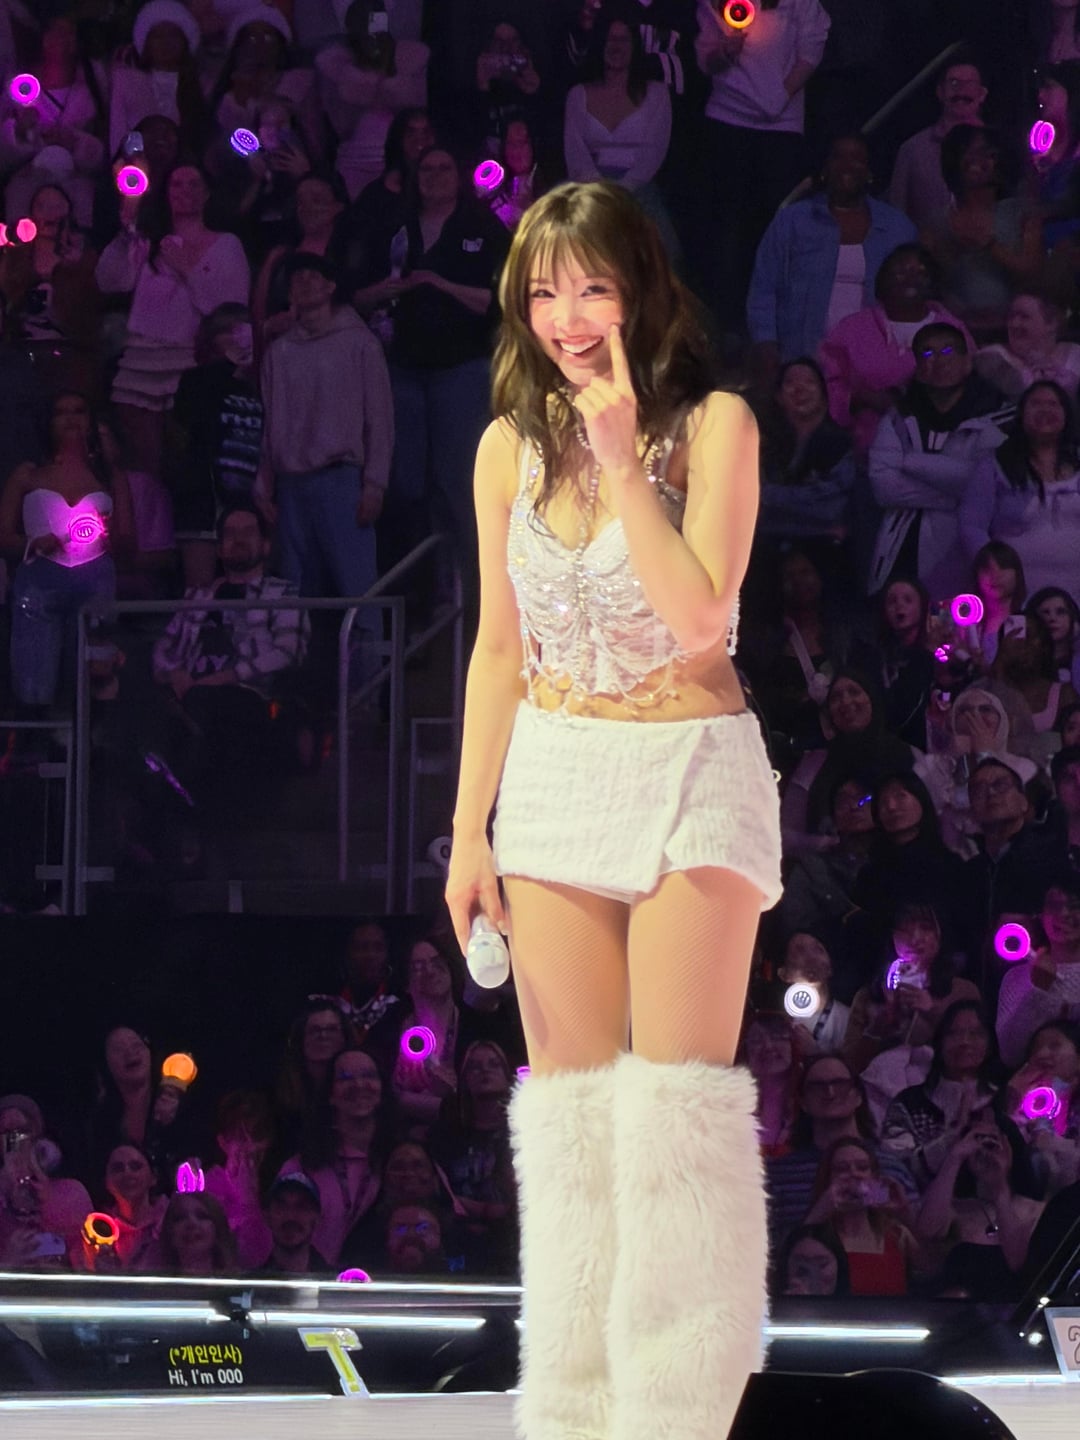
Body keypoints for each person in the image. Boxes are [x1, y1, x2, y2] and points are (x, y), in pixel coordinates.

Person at [446, 181, 782, 1440]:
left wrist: (626, 455)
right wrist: (468, 832)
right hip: (554, 778)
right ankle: (574, 1417)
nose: (568, 317)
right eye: (544, 292)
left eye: (591, 287)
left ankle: (683, 1417)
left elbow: (701, 618)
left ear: (640, 290)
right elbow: (497, 649)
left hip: (690, 771)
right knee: (574, 1133)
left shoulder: (717, 426)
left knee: (674, 1126)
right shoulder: (504, 446)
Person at [95, 161, 250, 483]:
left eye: (193, 184)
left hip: (193, 362)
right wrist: (125, 233)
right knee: (142, 465)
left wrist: (188, 269)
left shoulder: (227, 245)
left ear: (207, 192)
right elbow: (109, 281)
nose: (185, 191)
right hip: (142, 362)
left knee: (185, 462)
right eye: (177, 184)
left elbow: (229, 310)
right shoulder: (149, 242)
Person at [258, 253, 392, 620]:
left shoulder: (360, 344)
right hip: (290, 483)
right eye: (297, 277)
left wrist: (374, 484)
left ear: (331, 286)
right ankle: (293, 658)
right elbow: (271, 421)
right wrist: (264, 482)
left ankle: (367, 659)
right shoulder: (279, 351)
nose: (304, 281)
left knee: (357, 589)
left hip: (341, 478)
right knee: (293, 594)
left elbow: (379, 419)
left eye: (312, 275)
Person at [150, 501, 308, 802]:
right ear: (220, 549)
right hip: (184, 693)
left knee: (204, 712)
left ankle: (189, 802)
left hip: (247, 695)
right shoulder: (198, 596)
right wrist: (173, 674)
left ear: (265, 545)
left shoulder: (282, 593)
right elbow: (163, 647)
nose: (238, 539)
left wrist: (227, 676)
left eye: (248, 532)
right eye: (231, 534)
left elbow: (289, 651)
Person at [693, 0, 831, 339]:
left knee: (774, 227)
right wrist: (725, 52)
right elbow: (706, 61)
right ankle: (725, 326)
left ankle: (774, 326)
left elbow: (812, 49)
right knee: (726, 227)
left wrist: (779, 97)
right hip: (726, 121)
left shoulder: (801, 4)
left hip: (781, 129)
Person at [0, 390, 134, 711]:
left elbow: (128, 541)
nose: (71, 418)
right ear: (48, 422)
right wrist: (33, 543)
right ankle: (37, 734)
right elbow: (3, 535)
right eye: (62, 412)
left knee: (92, 679)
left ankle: (91, 735)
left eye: (79, 410)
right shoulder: (28, 474)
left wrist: (106, 528)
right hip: (39, 582)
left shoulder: (108, 477)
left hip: (95, 582)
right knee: (35, 680)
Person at [747, 132, 916, 368]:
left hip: (872, 362)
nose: (847, 165)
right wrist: (765, 342)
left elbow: (914, 293)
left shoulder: (897, 227)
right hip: (802, 359)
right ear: (825, 167)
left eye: (857, 158)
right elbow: (764, 287)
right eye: (838, 157)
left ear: (869, 171)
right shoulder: (792, 220)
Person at [867, 322, 1011, 599]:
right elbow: (884, 486)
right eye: (928, 353)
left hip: (969, 554)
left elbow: (986, 483)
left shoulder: (999, 417)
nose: (939, 360)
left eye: (948, 351)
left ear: (967, 361)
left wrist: (913, 463)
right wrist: (959, 496)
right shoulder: (898, 418)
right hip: (903, 552)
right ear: (918, 368)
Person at [819, 244, 971, 456]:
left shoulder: (953, 329)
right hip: (860, 448)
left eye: (920, 273)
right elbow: (826, 382)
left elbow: (971, 385)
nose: (911, 279)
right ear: (883, 279)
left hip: (941, 451)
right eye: (901, 272)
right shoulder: (851, 328)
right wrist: (858, 398)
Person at [960, 381, 1080, 601]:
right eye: (1036, 404)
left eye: (1053, 404)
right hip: (1016, 598)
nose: (1045, 410)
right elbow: (972, 526)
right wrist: (993, 569)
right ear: (1021, 414)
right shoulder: (995, 465)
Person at [563, 16, 674, 250]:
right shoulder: (578, 94)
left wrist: (623, 191)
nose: (616, 46)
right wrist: (600, 192)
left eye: (623, 39)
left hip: (639, 188)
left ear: (634, 46)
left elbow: (655, 150)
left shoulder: (657, 94)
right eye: (610, 39)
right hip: (588, 189)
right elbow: (575, 152)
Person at [920, 125, 1041, 342]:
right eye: (968, 152)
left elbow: (1032, 273)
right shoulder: (936, 222)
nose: (978, 160)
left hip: (1015, 332)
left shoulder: (1021, 213)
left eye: (986, 152)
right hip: (958, 333)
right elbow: (931, 283)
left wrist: (989, 244)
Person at [915, 1112, 1044, 1298]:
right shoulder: (955, 1209)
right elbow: (926, 1231)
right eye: (978, 1142)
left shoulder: (1036, 1210)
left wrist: (1000, 1186)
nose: (985, 1152)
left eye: (992, 1143)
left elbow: (1020, 1264)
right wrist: (955, 1157)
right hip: (956, 1308)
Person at [0, 13, 108, 230]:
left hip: (77, 184)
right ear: (44, 38)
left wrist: (74, 142)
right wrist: (21, 132)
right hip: (25, 183)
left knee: (75, 234)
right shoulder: (18, 88)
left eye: (70, 34)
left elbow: (102, 154)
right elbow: (3, 156)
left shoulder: (93, 91)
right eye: (57, 32)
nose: (63, 38)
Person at [316, 0, 430, 202]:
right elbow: (341, 125)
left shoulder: (412, 59)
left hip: (401, 159)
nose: (371, 26)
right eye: (363, 19)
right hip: (353, 160)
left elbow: (417, 115)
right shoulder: (334, 65)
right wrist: (362, 76)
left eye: (376, 17)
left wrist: (388, 67)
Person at [881, 1000, 1000, 1190]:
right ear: (940, 1042)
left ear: (990, 1043)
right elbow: (895, 1167)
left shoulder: (1002, 1102)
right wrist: (953, 1135)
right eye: (954, 1033)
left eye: (976, 1034)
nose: (965, 1042)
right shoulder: (909, 1104)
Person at [0, 181, 102, 403]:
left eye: (57, 206)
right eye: (42, 206)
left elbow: (88, 314)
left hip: (70, 352)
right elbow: (9, 301)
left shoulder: (84, 258)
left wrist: (72, 269)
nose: (49, 213)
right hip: (21, 352)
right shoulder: (16, 256)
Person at [756, 357, 856, 547]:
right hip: (770, 546)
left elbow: (831, 509)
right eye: (790, 382)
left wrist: (767, 496)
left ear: (824, 394)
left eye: (810, 382)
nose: (799, 389)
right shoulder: (765, 446)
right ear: (778, 397)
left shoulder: (841, 444)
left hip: (826, 548)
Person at [801, 1137, 920, 1295]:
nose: (854, 1174)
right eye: (842, 1169)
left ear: (875, 1177)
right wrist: (818, 1213)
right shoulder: (816, 1238)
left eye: (863, 1168)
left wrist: (905, 1213)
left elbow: (933, 1268)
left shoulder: (898, 1235)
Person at [888, 56, 987, 231]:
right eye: (954, 83)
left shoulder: (1001, 148)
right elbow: (897, 215)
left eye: (970, 83)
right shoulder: (913, 150)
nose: (961, 91)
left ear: (982, 94)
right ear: (940, 92)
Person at [997, 873, 1080, 1066]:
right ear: (1041, 914)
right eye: (1054, 906)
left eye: (1075, 906)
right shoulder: (1016, 978)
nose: (1063, 914)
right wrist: (1037, 990)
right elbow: (1010, 1054)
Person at [107, 1, 208, 159]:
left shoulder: (203, 85)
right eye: (158, 36)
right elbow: (118, 134)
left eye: (173, 35)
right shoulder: (126, 82)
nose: (166, 43)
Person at [975, 290, 1080, 403]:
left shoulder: (1075, 353)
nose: (1014, 324)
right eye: (1011, 317)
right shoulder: (992, 357)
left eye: (1024, 317)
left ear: (1052, 323)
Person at [102, 1143, 167, 1271]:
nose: (127, 1173)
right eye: (118, 1169)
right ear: (107, 1182)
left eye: (136, 1167)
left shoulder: (172, 1220)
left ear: (153, 1178)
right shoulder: (97, 1231)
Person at [257, 1172, 330, 1275]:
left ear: (317, 1218)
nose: (290, 1216)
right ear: (267, 1216)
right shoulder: (255, 1283)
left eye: (301, 1207)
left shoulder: (334, 1282)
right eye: (281, 1207)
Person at [151, 1192, 238, 1276]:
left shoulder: (237, 1283)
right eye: (181, 1217)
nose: (192, 1223)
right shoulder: (154, 1283)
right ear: (170, 1232)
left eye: (202, 1216)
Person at [773, 1223, 849, 1296]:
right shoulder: (772, 1301)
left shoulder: (852, 1303)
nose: (813, 1272)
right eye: (802, 1265)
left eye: (822, 1264)